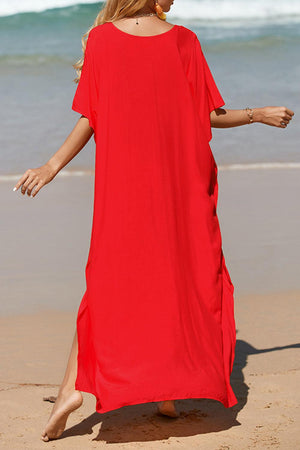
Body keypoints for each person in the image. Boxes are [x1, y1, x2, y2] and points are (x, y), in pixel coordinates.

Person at [12, 0, 294, 443]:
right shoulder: (184, 41)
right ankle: (89, 389)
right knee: (179, 277)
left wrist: (51, 166)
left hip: (123, 185)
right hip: (180, 182)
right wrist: (258, 114)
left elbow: (91, 117)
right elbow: (206, 116)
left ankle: (131, 393)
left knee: (112, 278)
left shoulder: (103, 40)